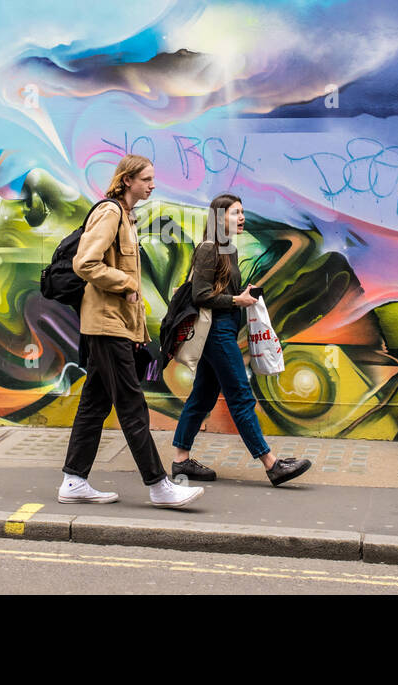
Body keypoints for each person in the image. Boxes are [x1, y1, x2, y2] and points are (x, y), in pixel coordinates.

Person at [58, 154, 204, 509]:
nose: (153, 184)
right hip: (106, 326)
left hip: (115, 325)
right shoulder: (110, 213)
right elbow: (85, 262)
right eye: (147, 179)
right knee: (131, 404)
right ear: (127, 180)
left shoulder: (126, 216)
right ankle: (158, 485)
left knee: (95, 404)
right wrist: (124, 281)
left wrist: (137, 329)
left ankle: (74, 480)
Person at [170, 194, 312, 487]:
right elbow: (200, 295)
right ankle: (272, 465)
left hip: (225, 329)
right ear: (220, 217)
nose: (242, 217)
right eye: (236, 213)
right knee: (241, 395)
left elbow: (219, 291)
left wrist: (243, 296)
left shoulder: (228, 249)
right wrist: (237, 299)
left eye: (242, 212)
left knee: (202, 397)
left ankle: (180, 461)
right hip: (217, 332)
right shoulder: (209, 249)